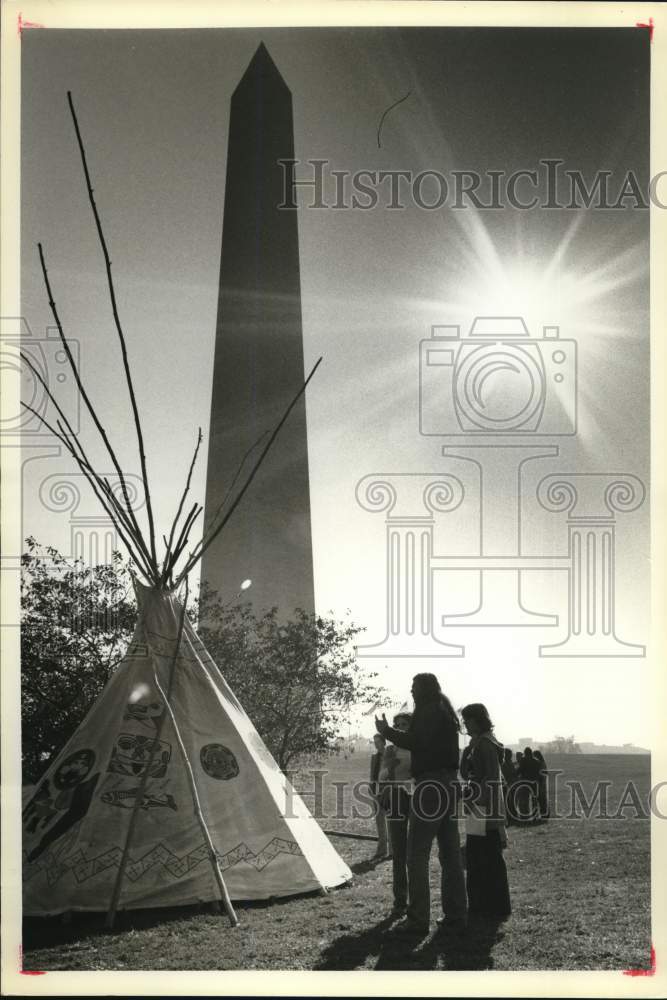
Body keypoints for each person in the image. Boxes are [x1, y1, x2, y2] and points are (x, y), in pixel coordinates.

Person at [376, 673, 466, 936]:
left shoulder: (427, 712)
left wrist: (387, 732)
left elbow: (416, 742)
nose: (412, 692)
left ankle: (417, 920)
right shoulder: (445, 711)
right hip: (451, 785)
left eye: (414, 687)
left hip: (430, 786)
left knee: (416, 854)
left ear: (424, 689)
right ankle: (456, 914)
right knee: (450, 854)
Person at [459, 703, 511, 919]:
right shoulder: (479, 744)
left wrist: (475, 801)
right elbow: (467, 773)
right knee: (480, 857)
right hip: (479, 807)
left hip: (484, 809)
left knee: (486, 858)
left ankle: (490, 907)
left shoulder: (486, 745)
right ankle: (485, 905)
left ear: (477, 720)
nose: (465, 725)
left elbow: (490, 780)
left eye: (467, 720)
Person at [377, 712, 413, 918]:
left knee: (415, 852)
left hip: (416, 797)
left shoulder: (418, 746)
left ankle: (416, 898)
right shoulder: (391, 749)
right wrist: (389, 767)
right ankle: (400, 899)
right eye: (397, 724)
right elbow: (382, 776)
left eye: (404, 724)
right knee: (398, 851)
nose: (400, 727)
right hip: (397, 797)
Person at [369, 733, 390, 859]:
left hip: (389, 790)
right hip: (377, 790)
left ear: (384, 742)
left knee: (391, 821)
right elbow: (372, 775)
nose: (376, 744)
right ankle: (382, 849)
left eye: (378, 742)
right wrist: (372, 789)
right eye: (374, 742)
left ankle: (392, 851)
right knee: (380, 821)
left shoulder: (390, 755)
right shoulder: (374, 757)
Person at [533, 749, 550, 820]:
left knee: (541, 799)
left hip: (541, 782)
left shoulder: (539, 763)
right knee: (543, 799)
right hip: (543, 782)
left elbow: (541, 773)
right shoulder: (543, 762)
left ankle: (544, 814)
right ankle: (545, 814)